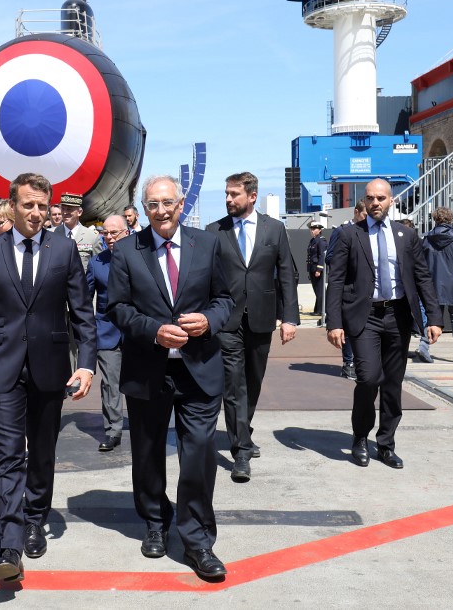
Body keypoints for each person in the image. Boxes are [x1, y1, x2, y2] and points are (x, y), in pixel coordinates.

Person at [0, 173, 96, 584]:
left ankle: (36, 517)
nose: (36, 213)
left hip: (50, 366)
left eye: (42, 206)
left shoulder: (65, 249)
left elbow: (82, 313)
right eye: (28, 205)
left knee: (41, 452)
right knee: (8, 454)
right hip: (0, 368)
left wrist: (87, 362)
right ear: (13, 205)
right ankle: (9, 543)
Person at [107, 175, 234, 580]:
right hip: (148, 368)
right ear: (144, 209)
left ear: (181, 203)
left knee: (198, 454)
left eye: (167, 202)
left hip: (199, 369)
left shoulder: (209, 244)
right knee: (147, 454)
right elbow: (118, 309)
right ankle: (155, 522)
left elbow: (227, 299)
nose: (161, 211)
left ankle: (198, 541)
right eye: (152, 205)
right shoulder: (128, 250)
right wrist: (153, 330)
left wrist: (210, 321)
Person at [325, 178, 441, 469]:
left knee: (392, 383)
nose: (375, 203)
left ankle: (386, 444)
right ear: (364, 202)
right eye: (370, 198)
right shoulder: (350, 234)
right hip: (365, 317)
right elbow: (336, 280)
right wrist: (333, 322)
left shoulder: (406, 235)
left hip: (398, 316)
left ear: (391, 201)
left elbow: (422, 277)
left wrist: (434, 318)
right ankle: (360, 437)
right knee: (368, 378)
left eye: (380, 198)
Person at [207, 172, 299, 482]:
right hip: (227, 321)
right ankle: (241, 452)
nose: (228, 199)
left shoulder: (274, 229)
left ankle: (243, 429)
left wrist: (289, 318)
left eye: (234, 194)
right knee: (233, 385)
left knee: (253, 381)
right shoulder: (214, 231)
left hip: (262, 318)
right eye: (227, 193)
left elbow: (286, 274)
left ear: (253, 196)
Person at [85, 214, 128, 452]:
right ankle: (113, 431)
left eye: (115, 233)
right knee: (111, 384)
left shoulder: (141, 257)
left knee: (141, 382)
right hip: (107, 332)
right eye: (105, 234)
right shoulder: (96, 263)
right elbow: (84, 298)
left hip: (137, 334)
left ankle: (146, 424)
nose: (109, 238)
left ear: (127, 232)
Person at [419, 207, 453, 364]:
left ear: (435, 219)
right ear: (450, 219)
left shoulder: (427, 239)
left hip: (433, 282)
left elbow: (422, 258)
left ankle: (424, 345)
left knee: (432, 317)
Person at [326, 200, 367, 380]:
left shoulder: (369, 231)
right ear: (356, 212)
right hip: (347, 288)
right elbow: (330, 257)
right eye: (365, 215)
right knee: (349, 330)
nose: (367, 219)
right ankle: (348, 363)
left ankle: (361, 363)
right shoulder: (341, 231)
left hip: (364, 290)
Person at [51, 192, 100, 271]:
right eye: (63, 209)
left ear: (79, 212)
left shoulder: (92, 237)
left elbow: (98, 267)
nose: (65, 212)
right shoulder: (51, 234)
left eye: (69, 209)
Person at [306, 221, 325, 315]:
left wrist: (319, 269)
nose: (312, 231)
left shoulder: (321, 240)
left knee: (320, 290)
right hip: (312, 268)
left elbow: (322, 256)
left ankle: (321, 310)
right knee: (316, 290)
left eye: (314, 229)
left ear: (320, 230)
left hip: (317, 269)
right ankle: (317, 309)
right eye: (311, 229)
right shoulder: (313, 240)